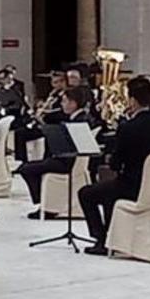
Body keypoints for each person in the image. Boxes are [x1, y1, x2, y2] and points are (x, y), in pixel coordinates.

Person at [78, 77, 150, 255]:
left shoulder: (129, 127)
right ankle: (113, 237)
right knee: (110, 191)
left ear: (132, 100)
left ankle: (102, 239)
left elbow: (117, 164)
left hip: (133, 188)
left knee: (87, 193)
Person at [21, 87, 94, 219]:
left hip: (68, 161)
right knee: (30, 167)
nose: (62, 104)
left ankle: (46, 206)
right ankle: (45, 203)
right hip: (66, 159)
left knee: (27, 169)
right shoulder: (78, 117)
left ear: (73, 103)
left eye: (65, 101)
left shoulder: (81, 120)